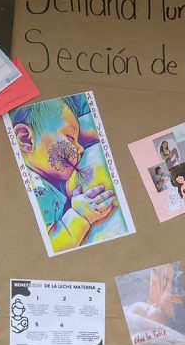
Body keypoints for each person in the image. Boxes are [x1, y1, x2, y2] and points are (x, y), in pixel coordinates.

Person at [11, 97, 118, 253]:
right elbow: (49, 244)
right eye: (70, 138)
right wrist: (80, 215)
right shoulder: (38, 191)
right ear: (26, 139)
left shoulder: (45, 179)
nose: (80, 148)